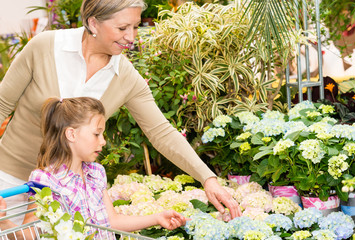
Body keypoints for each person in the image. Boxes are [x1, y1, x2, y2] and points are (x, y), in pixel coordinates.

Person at [0, 0, 240, 222]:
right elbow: (2, 105)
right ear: (93, 23)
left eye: (135, 27)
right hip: (8, 180)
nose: (131, 37)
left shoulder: (125, 76)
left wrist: (207, 178)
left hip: (65, 195)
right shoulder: (45, 47)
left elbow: (161, 132)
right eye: (123, 28)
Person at [0, 97, 187, 239]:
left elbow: (112, 221)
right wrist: (4, 221)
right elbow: (30, 232)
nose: (103, 141)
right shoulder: (45, 179)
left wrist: (157, 218)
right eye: (97, 134)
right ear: (71, 134)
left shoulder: (96, 173)